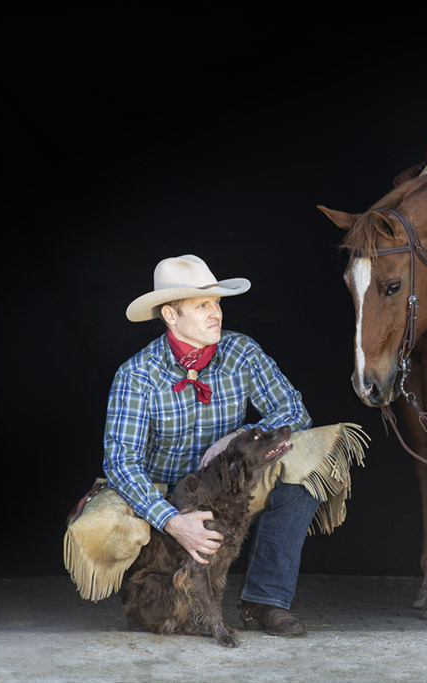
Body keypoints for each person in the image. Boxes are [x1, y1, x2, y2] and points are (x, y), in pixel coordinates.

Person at [103, 253, 319, 637]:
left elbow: (293, 410)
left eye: (217, 303)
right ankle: (161, 596)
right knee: (100, 523)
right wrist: (171, 520)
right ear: (171, 315)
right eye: (202, 305)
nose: (215, 313)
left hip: (229, 489)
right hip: (168, 495)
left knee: (307, 473)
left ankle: (265, 599)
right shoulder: (136, 375)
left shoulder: (242, 352)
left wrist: (235, 439)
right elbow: (121, 461)